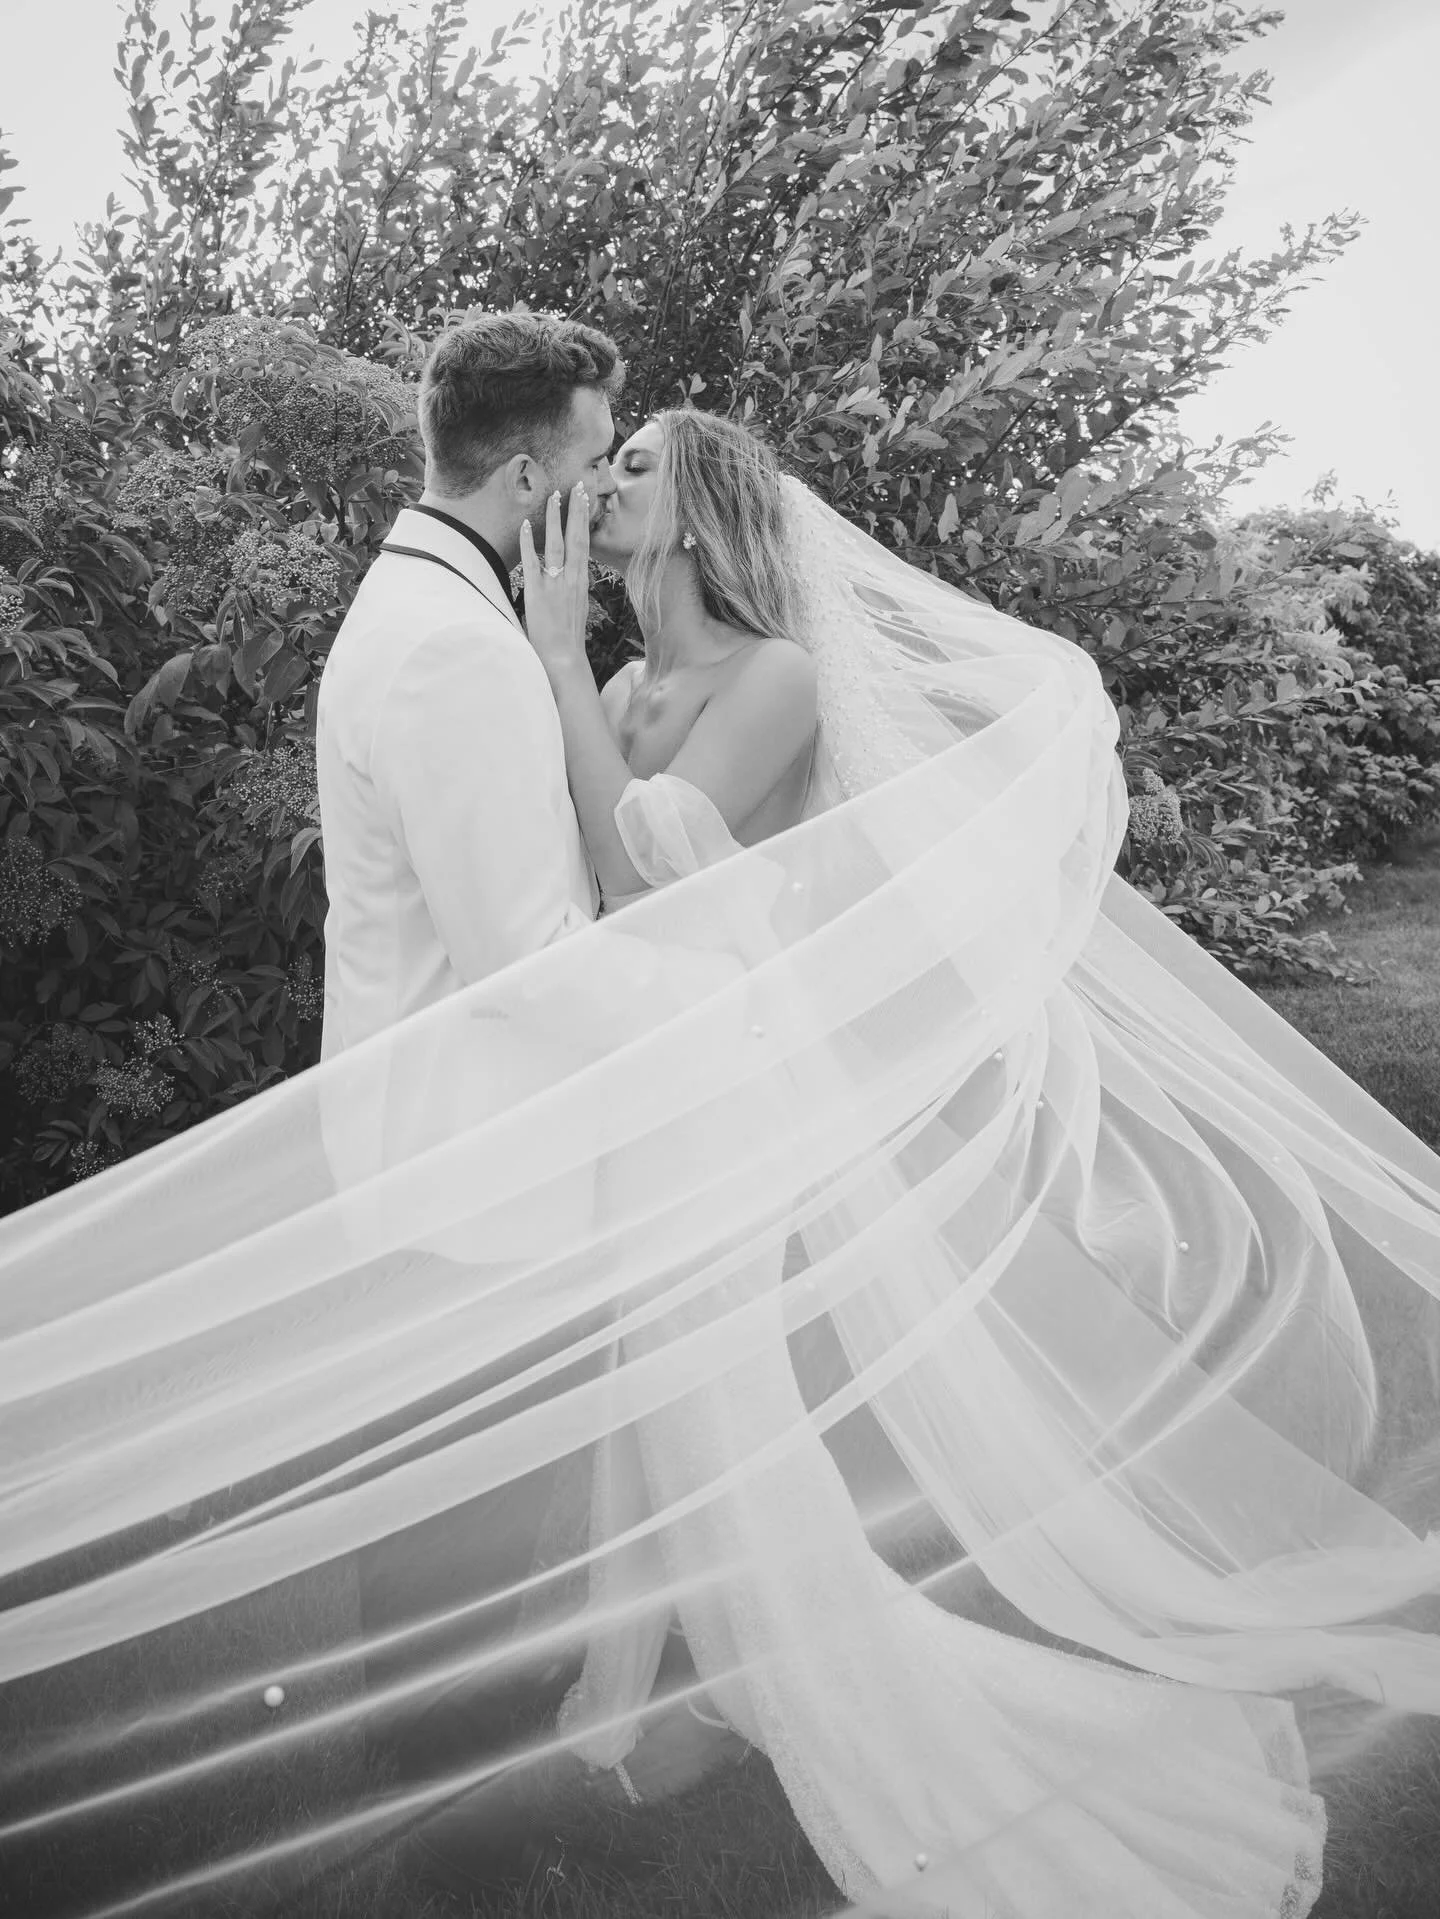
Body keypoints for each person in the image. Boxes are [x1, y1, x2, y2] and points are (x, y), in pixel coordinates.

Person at [3, 402, 1440, 1919]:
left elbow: (637, 866)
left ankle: (851, 1715)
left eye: (634, 472)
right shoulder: (627, 681)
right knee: (643, 1421)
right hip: (632, 1098)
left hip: (713, 1111)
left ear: (694, 521)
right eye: (599, 463)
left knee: (716, 1420)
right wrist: (568, 682)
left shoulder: (774, 675)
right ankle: (625, 1696)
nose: (601, 489)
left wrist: (555, 658)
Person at [313, 308, 620, 1872]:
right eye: (595, 469)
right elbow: (530, 959)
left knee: (440, 1543)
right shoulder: (453, 647)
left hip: (424, 1156)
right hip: (479, 1179)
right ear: (524, 477)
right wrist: (726, 998)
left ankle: (439, 1809)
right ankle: (469, 1842)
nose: (610, 496)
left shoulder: (409, 609)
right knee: (477, 1559)